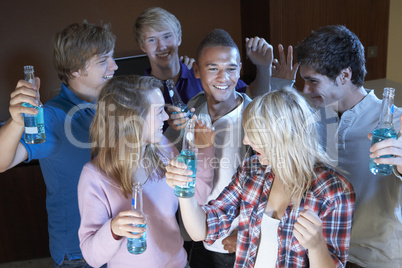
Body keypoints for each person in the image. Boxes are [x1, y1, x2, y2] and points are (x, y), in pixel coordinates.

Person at [166, 87, 356, 268]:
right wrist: (185, 190)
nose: (245, 141)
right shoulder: (251, 171)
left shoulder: (334, 190)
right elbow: (202, 230)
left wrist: (317, 247)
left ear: (282, 135)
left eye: (253, 134)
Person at [0, 22, 118, 267]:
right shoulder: (54, 117)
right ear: (75, 70)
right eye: (103, 60)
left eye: (112, 57)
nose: (114, 66)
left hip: (116, 238)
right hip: (79, 254)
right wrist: (16, 123)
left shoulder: (111, 106)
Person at [78, 75, 214, 267]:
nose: (167, 118)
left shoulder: (165, 149)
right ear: (132, 120)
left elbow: (198, 198)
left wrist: (205, 149)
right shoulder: (94, 176)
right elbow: (92, 257)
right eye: (159, 112)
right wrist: (113, 229)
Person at [163, 28, 271, 268]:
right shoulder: (193, 106)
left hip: (239, 241)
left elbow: (271, 184)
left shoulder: (255, 118)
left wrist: (247, 233)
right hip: (197, 235)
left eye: (231, 69)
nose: (223, 78)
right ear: (197, 71)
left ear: (240, 69)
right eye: (213, 69)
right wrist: (173, 131)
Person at [296, 25, 402, 268]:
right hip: (323, 253)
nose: (305, 89)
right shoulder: (317, 120)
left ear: (344, 76)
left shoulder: (394, 123)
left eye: (312, 81)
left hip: (375, 259)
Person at [134, 7, 296, 131]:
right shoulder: (138, 92)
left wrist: (263, 68)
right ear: (142, 46)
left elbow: (252, 98)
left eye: (167, 36)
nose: (162, 46)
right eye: (152, 40)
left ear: (179, 38)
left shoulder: (206, 73)